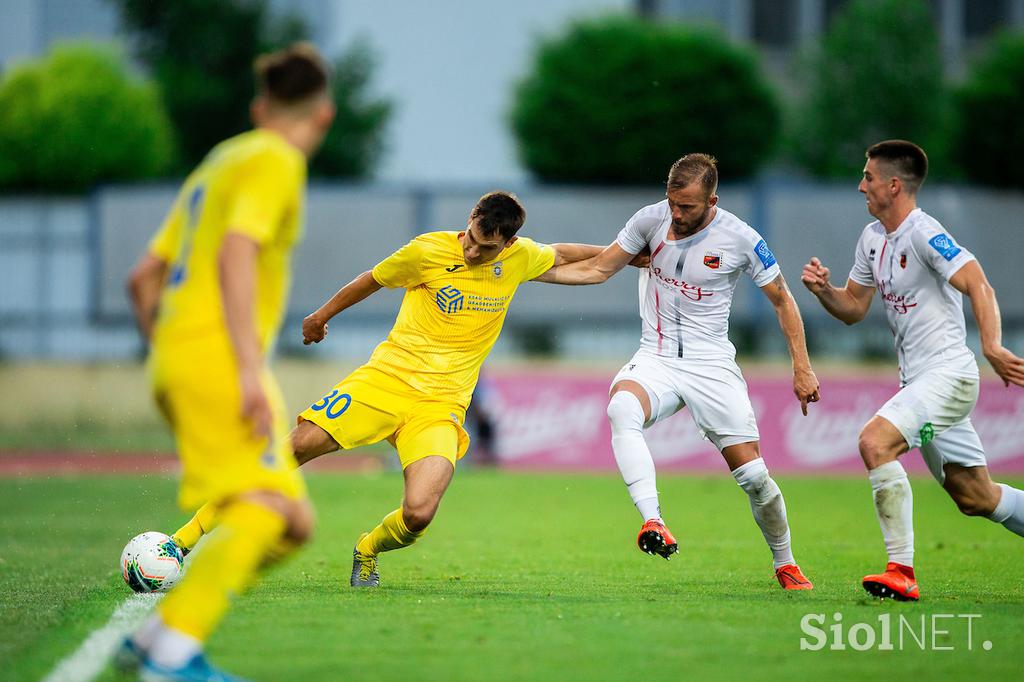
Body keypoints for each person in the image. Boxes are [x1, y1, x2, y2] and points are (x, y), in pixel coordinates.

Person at [170, 190, 644, 587]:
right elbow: (371, 280)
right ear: (470, 221)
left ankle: (367, 548)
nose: (476, 253)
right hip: (386, 381)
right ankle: (183, 541)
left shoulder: (519, 259)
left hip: (442, 406)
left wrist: (623, 254)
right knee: (295, 447)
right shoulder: (426, 252)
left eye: (489, 249)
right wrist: (320, 317)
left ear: (510, 242)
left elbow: (562, 254)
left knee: (419, 513)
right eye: (475, 241)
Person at [121, 43, 335, 679]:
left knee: (293, 522)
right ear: (322, 115)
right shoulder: (277, 159)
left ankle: (158, 635)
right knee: (263, 511)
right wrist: (242, 368)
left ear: (258, 106)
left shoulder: (222, 159)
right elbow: (237, 250)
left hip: (181, 357)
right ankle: (172, 657)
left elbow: (143, 278)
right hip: (221, 362)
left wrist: (172, 362)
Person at [536, 153, 819, 590]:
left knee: (755, 479)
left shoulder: (742, 238)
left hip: (711, 366)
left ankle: (786, 563)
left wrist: (801, 368)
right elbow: (596, 268)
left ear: (712, 200)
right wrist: (521, 275)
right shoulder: (650, 220)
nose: (677, 214)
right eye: (672, 203)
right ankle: (653, 521)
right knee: (621, 410)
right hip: (657, 357)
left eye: (687, 206)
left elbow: (783, 299)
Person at [801, 139, 1024, 601]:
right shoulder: (872, 239)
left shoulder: (924, 232)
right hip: (922, 382)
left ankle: (901, 570)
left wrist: (992, 345)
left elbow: (977, 282)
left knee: (874, 441)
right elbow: (854, 308)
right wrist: (825, 291)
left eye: (867, 176)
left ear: (893, 184)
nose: (860, 185)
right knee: (975, 497)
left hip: (948, 375)